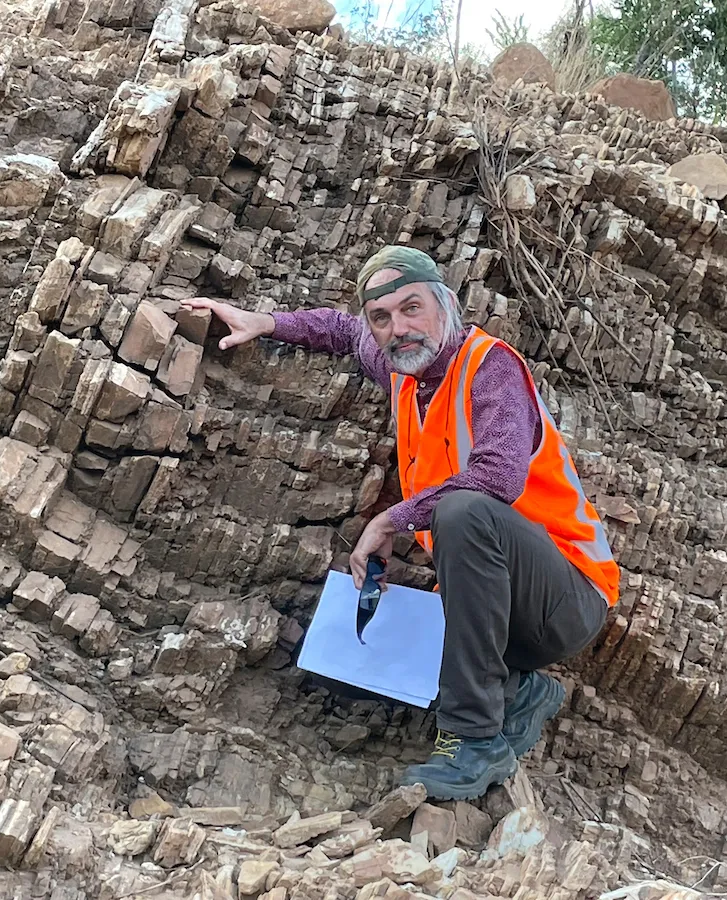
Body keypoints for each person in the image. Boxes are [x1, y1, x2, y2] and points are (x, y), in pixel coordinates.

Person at [181, 245, 619, 801]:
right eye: (382, 317)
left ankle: (474, 738)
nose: (398, 328)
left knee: (465, 510)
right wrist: (265, 322)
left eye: (412, 308)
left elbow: (498, 477)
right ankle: (518, 692)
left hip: (567, 597)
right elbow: (340, 331)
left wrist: (393, 518)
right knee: (403, 646)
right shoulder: (404, 369)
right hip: (499, 609)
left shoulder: (490, 369)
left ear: (445, 306)